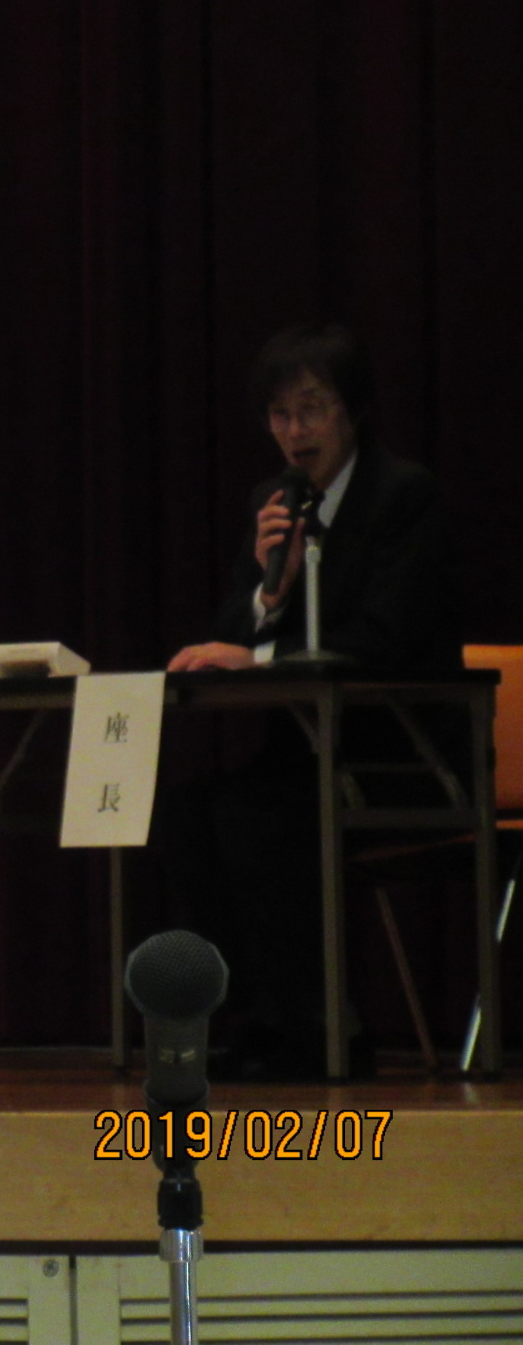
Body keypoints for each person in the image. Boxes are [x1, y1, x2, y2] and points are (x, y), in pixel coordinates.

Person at [159, 323, 462, 1078]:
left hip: (405, 756)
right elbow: (231, 630)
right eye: (280, 415)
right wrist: (272, 589)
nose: (295, 432)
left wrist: (260, 654)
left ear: (352, 411)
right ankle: (256, 1025)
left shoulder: (403, 496)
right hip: (308, 753)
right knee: (187, 814)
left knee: (259, 818)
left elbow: (387, 638)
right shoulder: (274, 502)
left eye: (312, 409)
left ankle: (324, 1031)